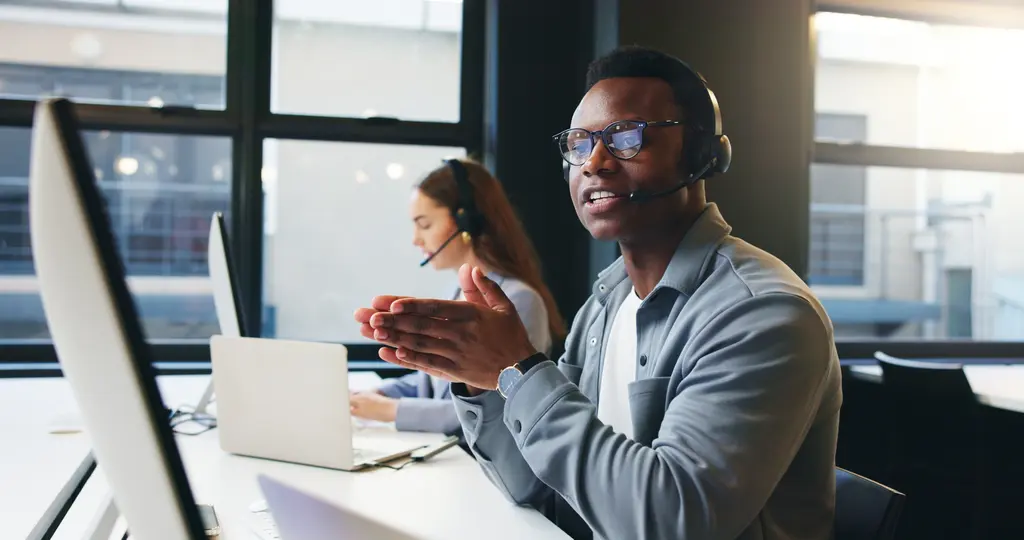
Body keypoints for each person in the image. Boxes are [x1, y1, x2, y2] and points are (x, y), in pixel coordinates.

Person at [354, 46, 842, 540]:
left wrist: (522, 373)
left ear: (699, 155)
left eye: (626, 137)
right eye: (580, 143)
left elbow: (672, 523)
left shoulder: (762, 315)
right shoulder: (606, 304)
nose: (594, 162)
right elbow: (531, 486)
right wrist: (481, 380)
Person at [349, 158, 566, 435]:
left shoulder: (518, 300)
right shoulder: (456, 292)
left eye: (424, 225)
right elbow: (434, 381)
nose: (416, 239)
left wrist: (387, 410)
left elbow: (490, 410)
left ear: (466, 221)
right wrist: (375, 393)